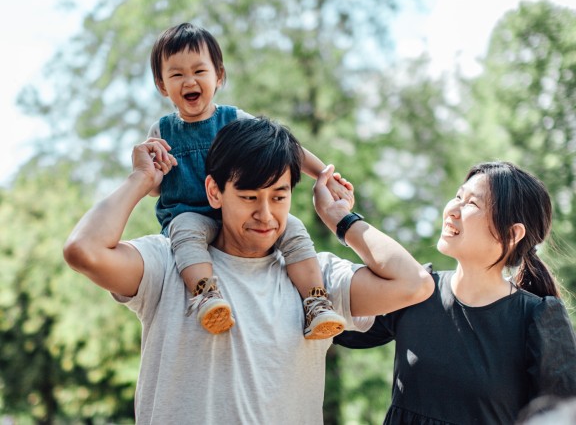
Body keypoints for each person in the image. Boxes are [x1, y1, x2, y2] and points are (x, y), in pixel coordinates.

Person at [63, 116, 434, 423]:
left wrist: (339, 218)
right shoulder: (167, 262)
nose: (266, 214)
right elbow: (84, 250)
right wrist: (140, 180)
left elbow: (414, 283)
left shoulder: (316, 281)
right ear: (214, 191)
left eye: (279, 196)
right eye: (248, 197)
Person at [146, 22, 351, 339]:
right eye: (177, 75)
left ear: (219, 76)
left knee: (293, 228)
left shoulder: (235, 119)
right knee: (184, 231)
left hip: (240, 213)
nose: (190, 81)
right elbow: (154, 187)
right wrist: (151, 169)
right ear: (162, 85)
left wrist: (324, 173)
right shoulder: (162, 132)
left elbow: (285, 149)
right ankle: (206, 296)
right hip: (189, 214)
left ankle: (316, 301)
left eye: (200, 71)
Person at [335, 161, 576, 424]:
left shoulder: (537, 317)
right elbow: (329, 325)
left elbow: (562, 415)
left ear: (512, 233)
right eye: (458, 196)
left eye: (472, 204)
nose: (452, 209)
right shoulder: (416, 291)